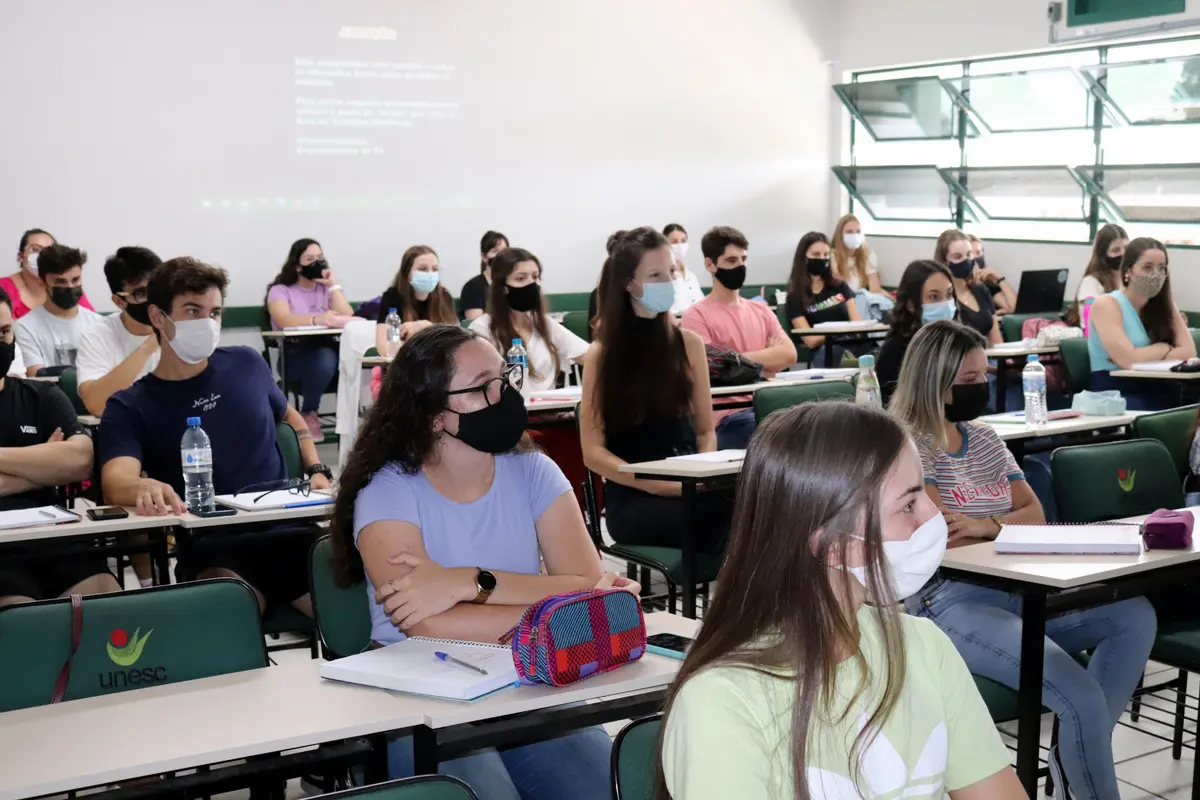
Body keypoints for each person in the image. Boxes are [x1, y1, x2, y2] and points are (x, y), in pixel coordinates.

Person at [658, 401, 1022, 800]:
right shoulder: (721, 703)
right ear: (833, 546)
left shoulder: (923, 645)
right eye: (908, 504)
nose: (933, 517)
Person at [329, 323, 628, 798]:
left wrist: (471, 582)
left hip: (521, 680)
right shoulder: (387, 489)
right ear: (433, 415)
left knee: (604, 788)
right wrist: (554, 610)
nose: (502, 395)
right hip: (413, 694)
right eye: (481, 387)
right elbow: (424, 622)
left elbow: (588, 583)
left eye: (503, 379)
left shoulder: (533, 470)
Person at [891, 319, 1157, 800]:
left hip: (1017, 584)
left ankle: (1071, 763)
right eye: (968, 380)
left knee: (1133, 616)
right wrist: (1001, 519)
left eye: (983, 375)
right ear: (934, 382)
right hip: (951, 602)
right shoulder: (909, 446)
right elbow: (942, 532)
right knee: (1079, 697)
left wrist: (988, 525)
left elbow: (1033, 512)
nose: (982, 386)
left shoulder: (985, 438)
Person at [100, 257, 333, 617]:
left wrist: (316, 468)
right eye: (193, 310)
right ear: (159, 317)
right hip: (214, 544)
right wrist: (143, 488)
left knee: (363, 611)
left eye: (215, 312)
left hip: (292, 533)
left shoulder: (246, 362)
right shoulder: (131, 404)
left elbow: (290, 417)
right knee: (228, 617)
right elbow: (116, 481)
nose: (207, 323)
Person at [579, 227, 728, 552]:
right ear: (629, 284)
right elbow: (593, 453)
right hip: (635, 497)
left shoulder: (689, 344)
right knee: (725, 522)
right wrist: (660, 486)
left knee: (753, 509)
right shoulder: (602, 355)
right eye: (656, 274)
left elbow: (705, 430)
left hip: (690, 483)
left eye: (671, 272)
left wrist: (701, 474)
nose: (668, 282)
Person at [0, 286, 112, 607]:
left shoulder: (42, 397)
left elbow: (80, 461)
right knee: (22, 616)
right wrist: (42, 467)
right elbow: (60, 466)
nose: (1, 341)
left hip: (52, 536)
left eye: (5, 331)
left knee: (106, 598)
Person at [681, 226, 796, 450]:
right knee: (771, 433)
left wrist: (734, 361)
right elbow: (711, 368)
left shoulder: (761, 310)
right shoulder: (696, 316)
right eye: (731, 260)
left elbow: (789, 354)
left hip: (768, 405)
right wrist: (765, 362)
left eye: (743, 259)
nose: (740, 266)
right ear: (710, 264)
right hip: (727, 417)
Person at [1088, 236, 1195, 410]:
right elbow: (1128, 361)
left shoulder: (1166, 305)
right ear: (1128, 270)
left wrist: (1141, 355)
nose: (1156, 274)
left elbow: (1189, 352)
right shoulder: (1106, 304)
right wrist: (1165, 348)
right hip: (1115, 393)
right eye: (1147, 267)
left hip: (1158, 387)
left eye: (1162, 268)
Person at [264, 238, 354, 441]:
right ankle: (308, 413)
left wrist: (333, 285)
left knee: (339, 357)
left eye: (320, 258)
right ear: (297, 266)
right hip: (294, 355)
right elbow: (283, 319)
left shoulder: (324, 289)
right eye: (310, 259)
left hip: (327, 349)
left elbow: (346, 313)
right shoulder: (280, 290)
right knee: (325, 358)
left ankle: (352, 425)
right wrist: (316, 319)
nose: (317, 263)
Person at [470, 247, 588, 396]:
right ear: (502, 287)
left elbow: (588, 356)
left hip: (550, 410)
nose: (531, 284)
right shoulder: (482, 328)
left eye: (535, 276)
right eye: (520, 278)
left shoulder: (542, 323)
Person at [77, 246, 163, 415]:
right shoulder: (97, 335)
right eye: (140, 293)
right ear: (119, 301)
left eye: (157, 288)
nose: (153, 299)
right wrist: (152, 342)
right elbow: (96, 404)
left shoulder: (182, 325)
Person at [876, 260, 956, 405]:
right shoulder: (896, 349)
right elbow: (892, 407)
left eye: (949, 294)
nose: (945, 303)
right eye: (934, 297)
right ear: (911, 305)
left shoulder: (957, 341)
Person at [14, 243, 99, 375]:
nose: (70, 286)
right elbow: (36, 377)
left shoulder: (98, 323)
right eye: (60, 282)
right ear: (43, 284)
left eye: (75, 280)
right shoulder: (25, 327)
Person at [785, 231, 867, 366]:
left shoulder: (840, 286)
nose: (822, 258)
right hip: (825, 350)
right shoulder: (795, 296)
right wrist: (835, 334)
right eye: (816, 255)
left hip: (850, 344)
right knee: (835, 353)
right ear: (804, 257)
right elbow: (810, 340)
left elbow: (857, 324)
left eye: (826, 255)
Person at [374, 245, 458, 356]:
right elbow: (384, 348)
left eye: (435, 269)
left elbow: (456, 342)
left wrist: (427, 327)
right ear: (407, 274)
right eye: (423, 269)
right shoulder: (392, 297)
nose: (430, 274)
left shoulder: (444, 296)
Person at [1, 229, 96, 320]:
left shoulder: (69, 286)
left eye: (49, 251)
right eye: (35, 250)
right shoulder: (3, 287)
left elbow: (91, 321)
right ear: (21, 256)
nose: (42, 255)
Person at [934, 230, 1001, 344]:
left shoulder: (981, 290)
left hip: (989, 358)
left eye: (969, 254)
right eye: (958, 256)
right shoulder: (943, 299)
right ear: (944, 261)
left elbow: (996, 338)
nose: (966, 260)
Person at [1068, 223, 1129, 332]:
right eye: (1116, 250)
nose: (1123, 253)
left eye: (1126, 248)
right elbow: (1089, 325)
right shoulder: (1091, 282)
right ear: (1103, 255)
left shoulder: (1130, 278)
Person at [830, 213, 883, 294]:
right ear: (840, 234)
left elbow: (875, 289)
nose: (854, 235)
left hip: (859, 298)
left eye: (858, 232)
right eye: (849, 232)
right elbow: (838, 288)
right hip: (838, 300)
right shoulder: (832, 256)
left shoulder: (868, 256)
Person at [460, 231, 507, 322]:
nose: (501, 255)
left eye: (504, 251)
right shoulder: (473, 286)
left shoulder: (511, 283)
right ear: (484, 257)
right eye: (495, 251)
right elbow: (475, 325)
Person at [967, 234, 1016, 315]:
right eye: (970, 254)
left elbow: (1014, 308)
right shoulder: (957, 287)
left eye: (978, 252)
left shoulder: (988, 285)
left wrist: (1000, 279)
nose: (976, 257)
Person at [663, 223, 705, 313]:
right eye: (674, 242)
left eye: (683, 241)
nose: (680, 245)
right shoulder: (661, 276)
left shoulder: (691, 276)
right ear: (664, 245)